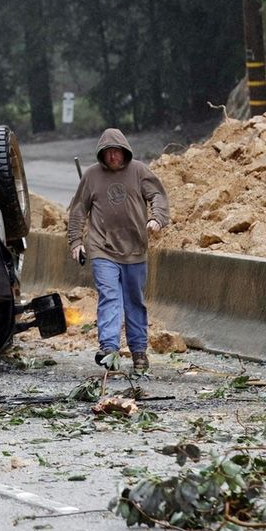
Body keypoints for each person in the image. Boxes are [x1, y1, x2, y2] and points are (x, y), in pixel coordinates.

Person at [67, 128, 170, 374]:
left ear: (125, 152)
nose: (113, 157)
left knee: (134, 301)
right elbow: (78, 210)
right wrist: (76, 242)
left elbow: (158, 195)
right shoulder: (91, 176)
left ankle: (138, 352)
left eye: (117, 152)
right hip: (102, 247)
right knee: (109, 295)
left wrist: (157, 218)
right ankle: (109, 348)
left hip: (135, 248)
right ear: (102, 154)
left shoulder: (139, 171)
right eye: (108, 153)